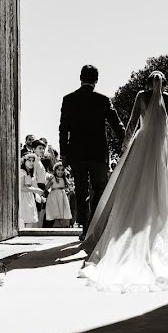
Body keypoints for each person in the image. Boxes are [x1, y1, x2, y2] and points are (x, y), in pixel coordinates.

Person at [78, 71, 168, 293]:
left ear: (148, 83)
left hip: (142, 146)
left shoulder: (141, 96)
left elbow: (132, 124)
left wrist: (125, 147)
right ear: (164, 84)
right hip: (162, 147)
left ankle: (132, 231)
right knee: (165, 192)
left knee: (135, 190)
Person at [58, 64, 126, 240]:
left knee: (81, 190)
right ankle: (94, 224)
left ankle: (84, 226)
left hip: (76, 153)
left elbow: (63, 129)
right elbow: (116, 124)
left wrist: (64, 152)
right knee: (99, 188)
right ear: (96, 80)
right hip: (98, 153)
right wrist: (127, 140)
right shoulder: (103, 100)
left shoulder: (69, 99)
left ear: (80, 78)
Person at [45, 161, 73, 228]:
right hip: (54, 196)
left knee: (62, 211)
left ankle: (62, 225)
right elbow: (46, 187)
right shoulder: (53, 178)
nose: (60, 172)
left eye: (62, 170)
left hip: (62, 196)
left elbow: (69, 187)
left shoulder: (64, 179)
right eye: (58, 170)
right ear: (55, 170)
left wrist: (69, 191)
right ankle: (56, 226)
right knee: (55, 211)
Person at [19, 153, 44, 228]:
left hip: (29, 197)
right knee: (23, 219)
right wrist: (36, 190)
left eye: (33, 161)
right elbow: (22, 187)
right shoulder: (22, 171)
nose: (31, 162)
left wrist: (39, 194)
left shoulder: (30, 173)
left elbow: (32, 185)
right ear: (24, 161)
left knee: (30, 220)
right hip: (23, 197)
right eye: (29, 160)